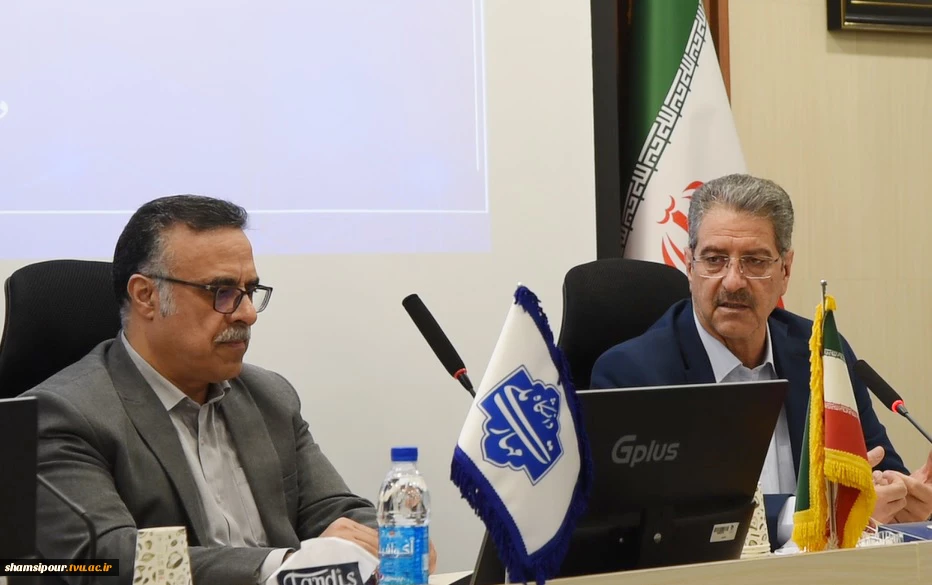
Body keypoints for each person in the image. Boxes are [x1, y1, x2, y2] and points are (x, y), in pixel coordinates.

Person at [24, 195, 435, 585]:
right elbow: (107, 558)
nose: (248, 314)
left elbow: (331, 509)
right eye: (221, 292)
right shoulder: (62, 413)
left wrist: (387, 539)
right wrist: (280, 566)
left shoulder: (269, 396)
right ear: (145, 296)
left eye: (249, 291)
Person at [590, 174, 932, 546]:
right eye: (715, 260)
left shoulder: (819, 353)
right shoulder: (634, 374)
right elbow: (660, 521)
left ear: (785, 271)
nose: (733, 281)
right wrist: (811, 516)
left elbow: (879, 467)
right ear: (689, 265)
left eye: (754, 261)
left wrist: (903, 496)